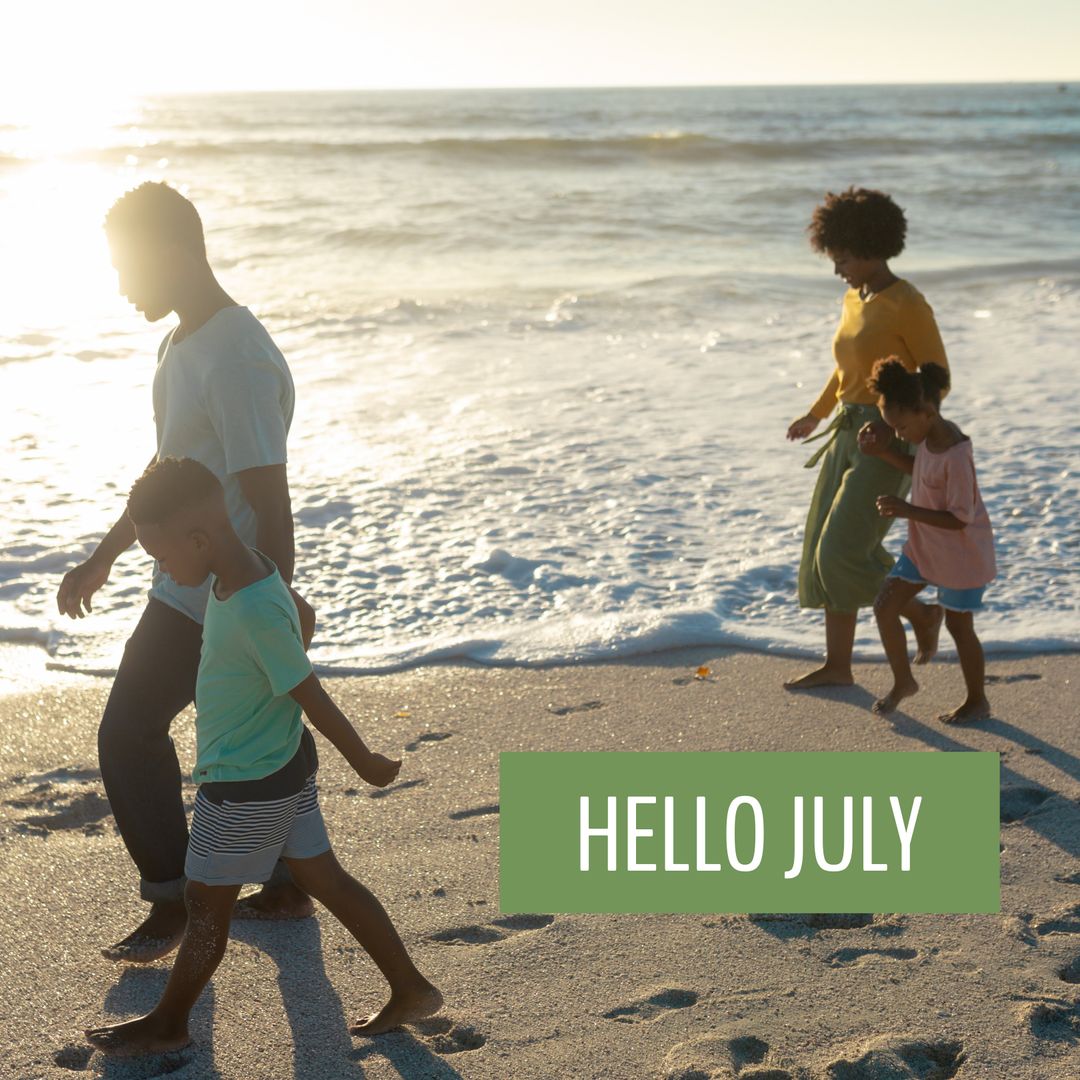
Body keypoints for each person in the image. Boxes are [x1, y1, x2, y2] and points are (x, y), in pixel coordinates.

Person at [85, 458, 443, 1057]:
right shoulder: (246, 572)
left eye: (162, 556)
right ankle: (410, 986)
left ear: (198, 539)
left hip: (247, 782)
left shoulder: (249, 603)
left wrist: (363, 761)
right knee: (325, 878)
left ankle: (170, 1022)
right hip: (283, 766)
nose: (161, 568)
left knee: (204, 908)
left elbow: (308, 688)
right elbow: (299, 616)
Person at [55, 181, 311, 963]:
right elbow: (169, 470)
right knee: (247, 743)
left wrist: (273, 600)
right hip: (187, 582)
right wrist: (106, 552)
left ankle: (173, 898)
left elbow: (268, 491)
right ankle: (289, 877)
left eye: (129, 268)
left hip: (218, 595)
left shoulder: (233, 353)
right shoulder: (183, 343)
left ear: (171, 253)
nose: (123, 287)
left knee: (130, 733)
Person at [785, 186, 948, 690]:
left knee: (841, 551)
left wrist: (898, 428)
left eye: (846, 258)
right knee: (823, 547)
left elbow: (936, 377)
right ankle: (839, 666)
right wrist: (816, 415)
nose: (839, 269)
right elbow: (846, 370)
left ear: (877, 247)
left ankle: (919, 613)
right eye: (834, 258)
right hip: (846, 432)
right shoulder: (855, 297)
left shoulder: (907, 303)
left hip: (887, 438)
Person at [860, 359, 995, 723]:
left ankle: (977, 700)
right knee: (885, 606)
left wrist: (906, 509)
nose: (900, 434)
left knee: (959, 627)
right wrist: (883, 452)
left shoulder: (956, 453)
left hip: (961, 553)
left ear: (927, 412)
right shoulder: (927, 440)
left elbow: (959, 518)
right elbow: (920, 469)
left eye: (901, 426)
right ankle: (904, 682)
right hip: (924, 547)